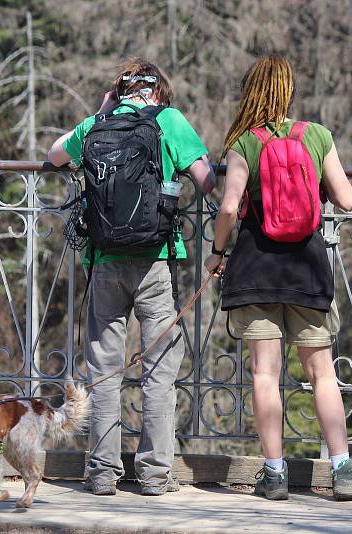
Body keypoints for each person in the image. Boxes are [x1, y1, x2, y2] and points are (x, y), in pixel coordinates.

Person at [204, 55, 352, 501]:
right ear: (288, 92)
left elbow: (228, 208)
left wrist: (216, 252)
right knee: (321, 373)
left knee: (265, 374)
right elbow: (345, 197)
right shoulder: (316, 135)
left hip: (255, 270)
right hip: (307, 268)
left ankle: (274, 473)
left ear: (251, 93)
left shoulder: (245, 143)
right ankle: (343, 470)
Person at [48, 58, 216, 496]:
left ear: (117, 91)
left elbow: (54, 154)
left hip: (104, 260)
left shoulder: (95, 125)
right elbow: (206, 180)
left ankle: (103, 473)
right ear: (158, 90)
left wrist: (101, 113)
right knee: (159, 370)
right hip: (156, 259)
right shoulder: (169, 120)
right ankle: (156, 475)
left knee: (104, 368)